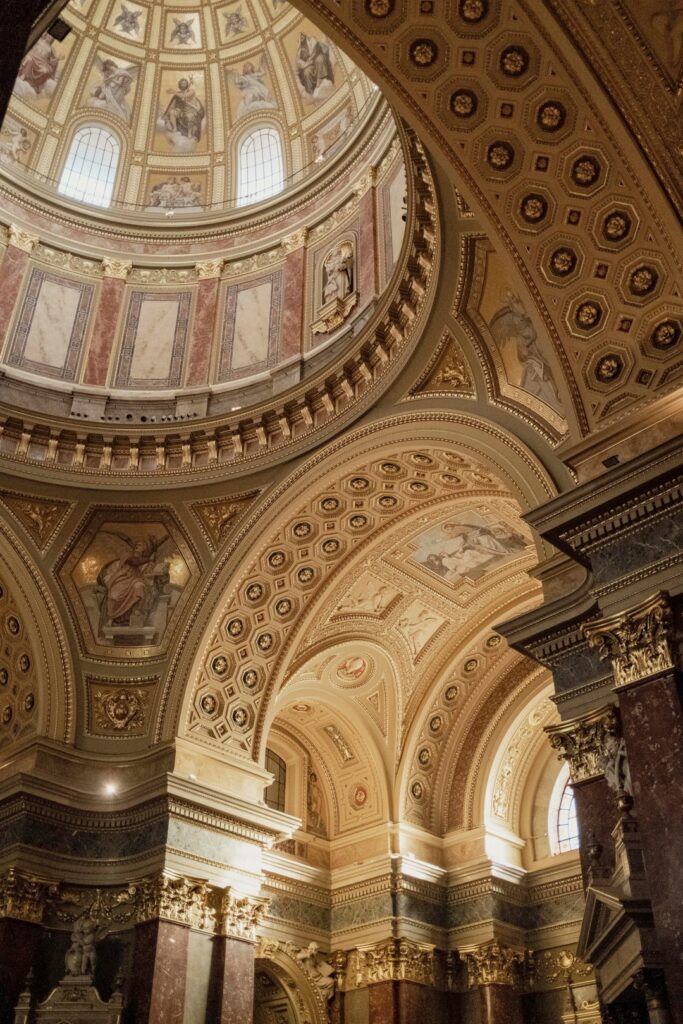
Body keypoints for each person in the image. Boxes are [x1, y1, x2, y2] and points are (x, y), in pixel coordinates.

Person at [162, 78, 205, 143]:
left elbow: (185, 96)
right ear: (180, 85)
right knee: (172, 112)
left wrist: (174, 92)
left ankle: (189, 133)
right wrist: (168, 113)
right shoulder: (178, 94)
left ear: (187, 84)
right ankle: (175, 128)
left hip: (191, 110)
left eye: (184, 83)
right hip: (181, 110)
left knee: (189, 116)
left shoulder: (191, 91)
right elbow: (173, 104)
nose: (183, 84)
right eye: (182, 83)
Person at [296, 33, 334, 98]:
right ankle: (312, 90)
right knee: (306, 72)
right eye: (301, 39)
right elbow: (299, 62)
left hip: (316, 59)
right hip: (309, 65)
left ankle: (321, 81)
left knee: (320, 59)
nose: (302, 39)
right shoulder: (300, 49)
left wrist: (312, 57)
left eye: (303, 37)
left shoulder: (313, 41)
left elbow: (320, 49)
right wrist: (307, 63)